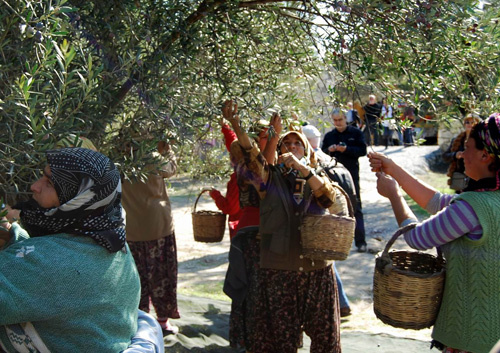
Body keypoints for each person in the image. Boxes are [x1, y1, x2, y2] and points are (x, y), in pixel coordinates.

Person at [368, 114, 500, 353]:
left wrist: (394, 196)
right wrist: (394, 169)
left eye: (467, 148)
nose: (460, 154)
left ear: (485, 155)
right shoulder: (488, 201)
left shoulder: (473, 206)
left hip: (470, 336)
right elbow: (438, 202)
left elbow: (417, 238)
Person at [224, 100, 341, 352]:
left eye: (297, 142)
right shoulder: (269, 178)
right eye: (285, 143)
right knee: (278, 341)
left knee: (326, 339)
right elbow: (254, 161)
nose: (291, 146)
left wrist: (303, 169)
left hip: (316, 270)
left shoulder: (319, 176)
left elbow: (329, 200)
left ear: (307, 149)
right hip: (279, 272)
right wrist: (235, 125)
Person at [0, 147, 140, 352]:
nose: (34, 186)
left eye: (49, 183)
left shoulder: (48, 263)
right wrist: (14, 236)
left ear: (78, 198)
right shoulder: (110, 241)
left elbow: (46, 269)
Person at [121, 140, 180, 335]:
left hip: (131, 228)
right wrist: (167, 150)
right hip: (157, 226)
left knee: (135, 278)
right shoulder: (154, 158)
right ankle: (163, 323)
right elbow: (172, 168)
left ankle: (138, 322)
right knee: (161, 275)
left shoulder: (119, 161)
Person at [302, 123, 355, 317]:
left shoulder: (313, 161)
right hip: (332, 218)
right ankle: (342, 304)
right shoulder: (327, 157)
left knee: (323, 263)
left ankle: (338, 305)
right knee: (326, 260)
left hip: (318, 219)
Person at [322, 109, 368, 253]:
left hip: (351, 175)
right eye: (335, 121)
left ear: (345, 119)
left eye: (340, 120)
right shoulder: (329, 136)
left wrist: (346, 149)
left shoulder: (355, 133)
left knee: (356, 207)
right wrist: (330, 150)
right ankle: (335, 243)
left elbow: (363, 150)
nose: (338, 123)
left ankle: (360, 242)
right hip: (333, 176)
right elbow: (322, 153)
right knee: (332, 208)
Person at [208, 121, 242, 238]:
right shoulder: (248, 167)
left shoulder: (240, 178)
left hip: (240, 229)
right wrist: (225, 126)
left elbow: (230, 208)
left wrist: (215, 195)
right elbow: (233, 143)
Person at [442, 114, 481, 192]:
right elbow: (445, 156)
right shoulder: (456, 140)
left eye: (473, 122)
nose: (470, 124)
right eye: (467, 122)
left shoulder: (481, 140)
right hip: (460, 178)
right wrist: (455, 155)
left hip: (476, 178)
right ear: (464, 124)